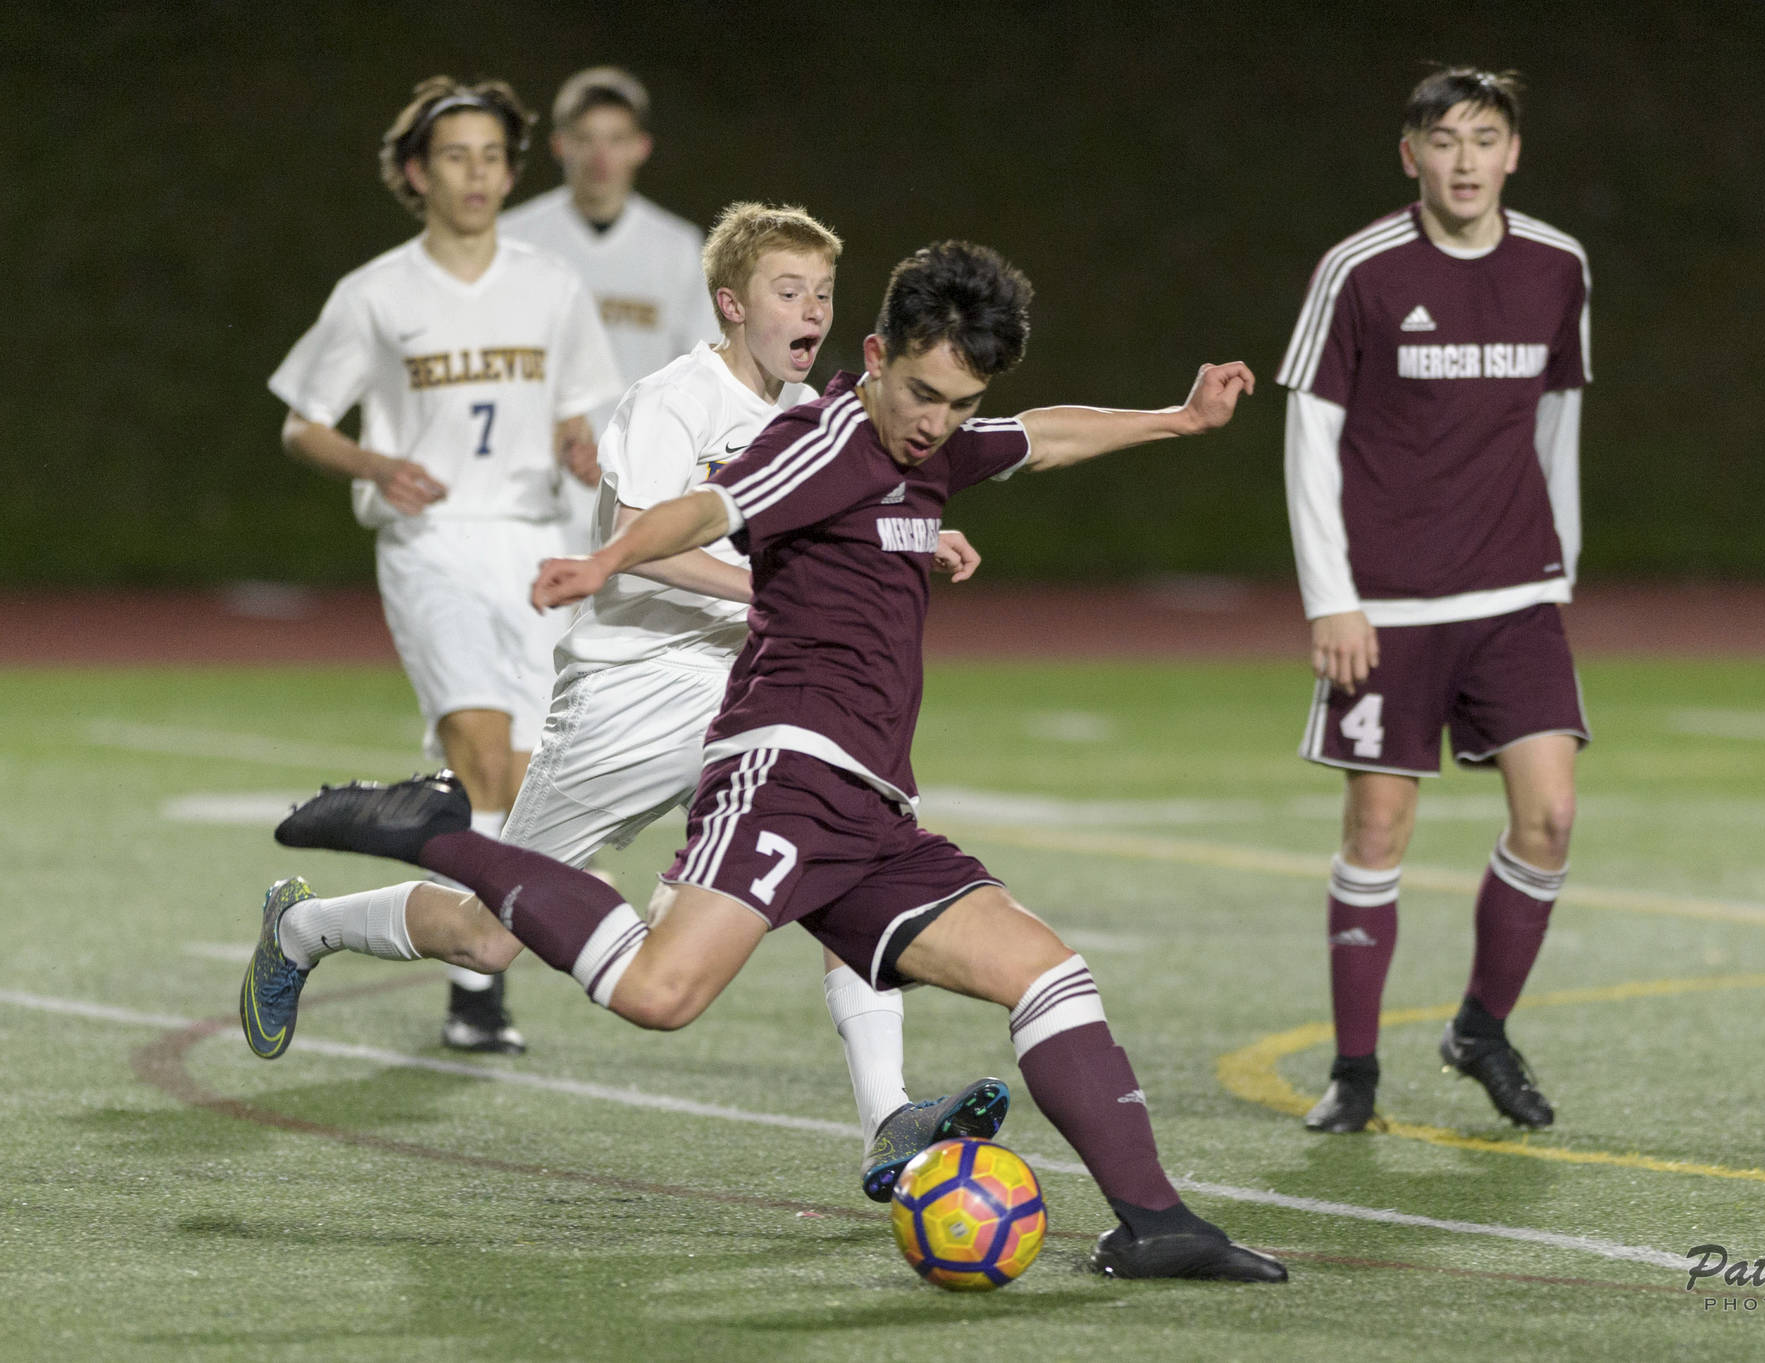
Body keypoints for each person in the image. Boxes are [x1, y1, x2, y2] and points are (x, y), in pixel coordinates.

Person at [253, 241, 1286, 1281]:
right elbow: (711, 508)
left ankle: (1153, 1222)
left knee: (1048, 976)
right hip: (784, 769)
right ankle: (433, 831)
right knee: (659, 992)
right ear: (875, 354)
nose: (936, 421)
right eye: (921, 391)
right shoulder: (826, 435)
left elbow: (1042, 436)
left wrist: (1176, 418)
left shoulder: (932, 444)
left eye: (959, 404)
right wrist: (606, 559)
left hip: (871, 813)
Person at [252, 201, 1007, 1200]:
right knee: (489, 932)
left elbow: (868, 514)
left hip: (758, 697)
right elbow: (644, 542)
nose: (811, 309)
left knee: (843, 857)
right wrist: (774, 586)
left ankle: (884, 1118)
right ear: (733, 304)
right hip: (633, 690)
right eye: (789, 290)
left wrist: (911, 542)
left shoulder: (834, 414)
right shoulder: (670, 401)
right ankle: (304, 929)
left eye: (824, 292)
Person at [267, 77, 621, 1056]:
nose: (476, 174)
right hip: (430, 542)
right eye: (455, 156)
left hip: (533, 540)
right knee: (480, 747)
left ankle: (464, 967)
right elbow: (303, 425)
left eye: (492, 157)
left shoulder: (550, 285)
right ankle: (478, 993)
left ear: (512, 172)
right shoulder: (376, 293)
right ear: (418, 172)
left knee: (525, 778)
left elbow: (576, 413)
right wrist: (375, 461)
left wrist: (580, 450)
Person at [1277, 67, 1591, 1134]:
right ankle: (1354, 1071)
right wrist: (1332, 596)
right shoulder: (1358, 270)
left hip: (1513, 592)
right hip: (1387, 604)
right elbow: (1309, 434)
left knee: (1547, 815)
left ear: (1513, 152)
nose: (1464, 160)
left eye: (1484, 138)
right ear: (1408, 155)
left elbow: (1555, 420)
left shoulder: (1557, 267)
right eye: (1442, 140)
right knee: (1377, 827)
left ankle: (1479, 1028)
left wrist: (1563, 561)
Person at [500, 67, 723, 552]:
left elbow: (705, 366)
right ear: (560, 145)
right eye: (586, 139)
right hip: (536, 485)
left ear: (641, 146)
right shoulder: (515, 239)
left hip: (642, 484)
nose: (601, 157)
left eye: (616, 139)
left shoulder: (676, 246)